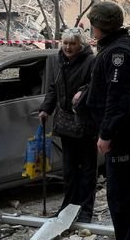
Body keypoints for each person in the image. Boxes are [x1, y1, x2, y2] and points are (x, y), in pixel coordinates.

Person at [82, 1, 130, 240]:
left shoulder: (118, 52)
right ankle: (127, 239)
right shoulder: (117, 46)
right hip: (123, 130)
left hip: (120, 134)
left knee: (119, 195)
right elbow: (108, 86)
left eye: (93, 23)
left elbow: (119, 98)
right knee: (122, 191)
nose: (91, 27)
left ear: (101, 25)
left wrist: (107, 133)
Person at [38, 28, 96, 223]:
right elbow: (54, 88)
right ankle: (68, 207)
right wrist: (46, 108)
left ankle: (86, 210)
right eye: (65, 43)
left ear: (81, 45)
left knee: (87, 168)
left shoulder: (90, 61)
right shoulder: (58, 61)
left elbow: (96, 86)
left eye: (72, 43)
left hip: (85, 122)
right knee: (69, 169)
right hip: (65, 122)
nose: (68, 47)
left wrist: (84, 92)